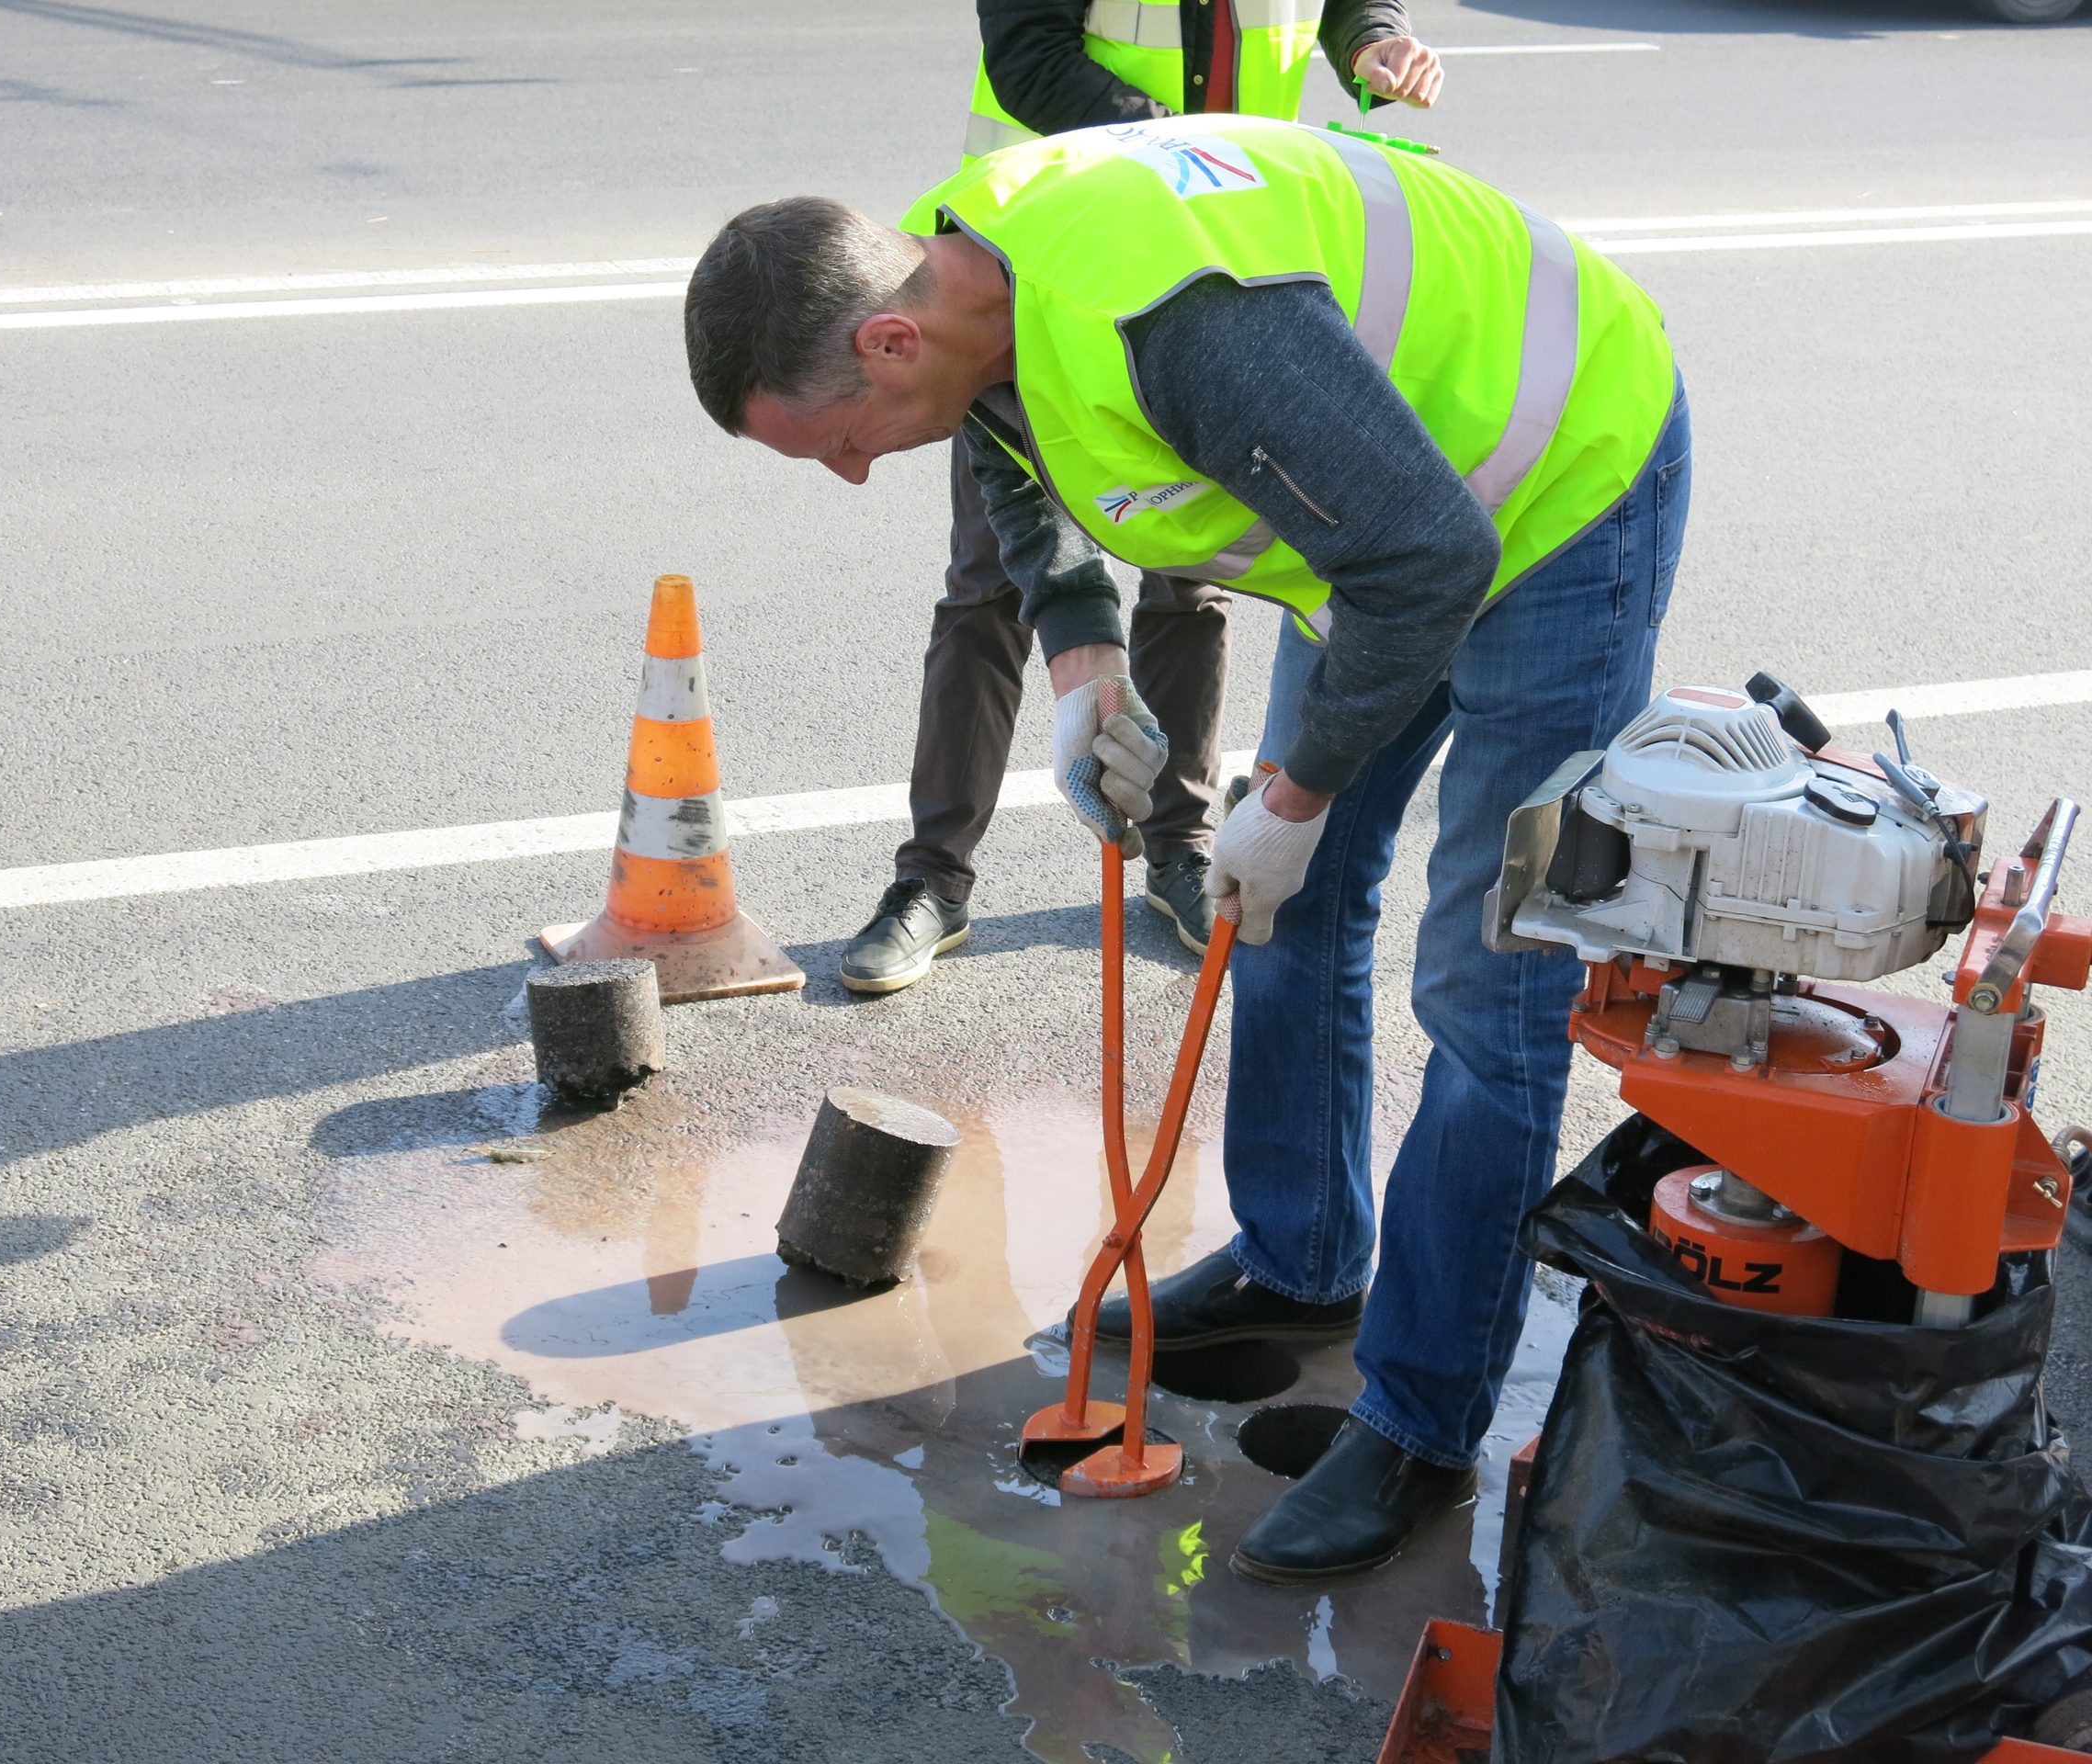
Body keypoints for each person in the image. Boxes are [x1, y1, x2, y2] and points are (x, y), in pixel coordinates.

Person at [682, 112, 1689, 1578]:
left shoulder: (1175, 319)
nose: (851, 475)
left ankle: (1417, 1421)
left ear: (891, 343)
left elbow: (1429, 570)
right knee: (1280, 910)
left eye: (839, 443)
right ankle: (1301, 1261)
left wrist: (1290, 799)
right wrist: (1087, 661)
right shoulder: (956, 269)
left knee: (1488, 987)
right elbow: (1011, 453)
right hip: (1392, 518)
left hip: (1553, 493)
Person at [842, 0, 1444, 992]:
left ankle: (1177, 843)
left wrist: (1370, 40)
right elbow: (1029, 55)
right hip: (1040, 257)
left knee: (1192, 564)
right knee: (994, 577)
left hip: (1221, 248)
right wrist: (1162, 141)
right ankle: (934, 879)